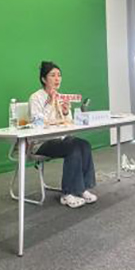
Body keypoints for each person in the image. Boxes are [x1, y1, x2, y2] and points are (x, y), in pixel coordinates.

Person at [28, 61, 97, 209]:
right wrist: (49, 104)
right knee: (72, 147)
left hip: (60, 139)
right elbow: (37, 123)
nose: (57, 79)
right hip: (41, 143)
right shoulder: (36, 98)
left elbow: (69, 124)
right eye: (53, 75)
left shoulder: (61, 97)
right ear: (44, 79)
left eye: (59, 75)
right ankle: (67, 193)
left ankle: (82, 188)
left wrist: (66, 112)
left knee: (84, 144)